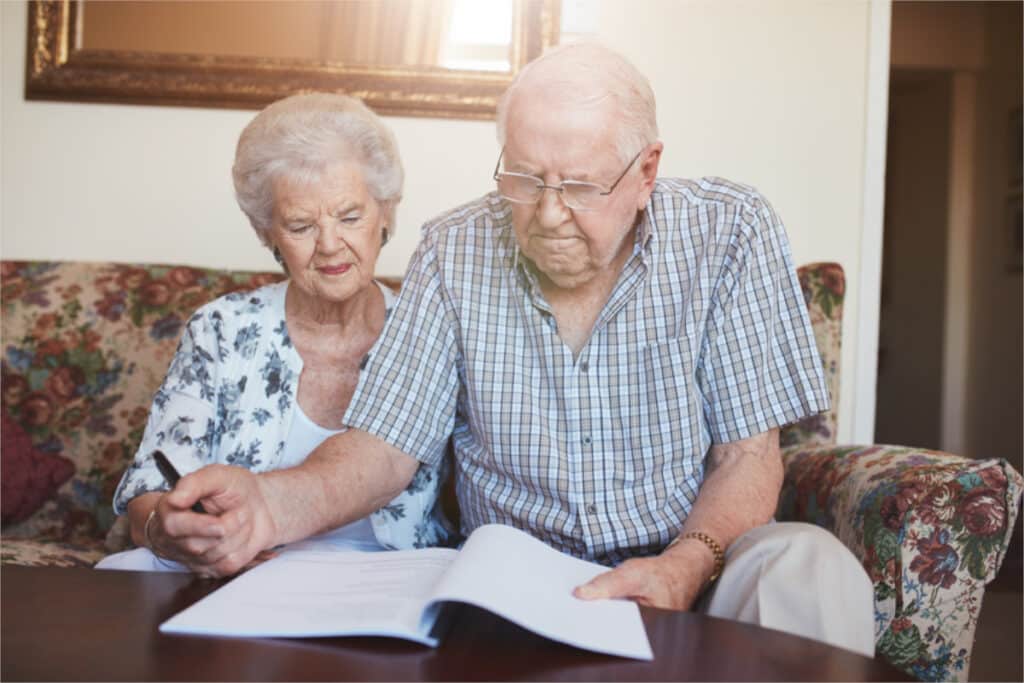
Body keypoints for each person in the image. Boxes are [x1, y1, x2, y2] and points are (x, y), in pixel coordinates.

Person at [160, 45, 875, 655]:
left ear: (647, 170)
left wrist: (683, 567)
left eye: (583, 185)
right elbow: (382, 449)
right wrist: (268, 504)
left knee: (811, 567)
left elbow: (748, 458)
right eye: (526, 180)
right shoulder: (454, 248)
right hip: (520, 581)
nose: (550, 213)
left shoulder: (729, 233)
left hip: (697, 557)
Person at [99, 93, 450, 574]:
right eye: (301, 225)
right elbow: (148, 496)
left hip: (383, 580)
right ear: (267, 233)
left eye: (350, 217)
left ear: (386, 212)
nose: (329, 245)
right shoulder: (221, 329)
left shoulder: (429, 328)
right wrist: (174, 532)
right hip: (241, 575)